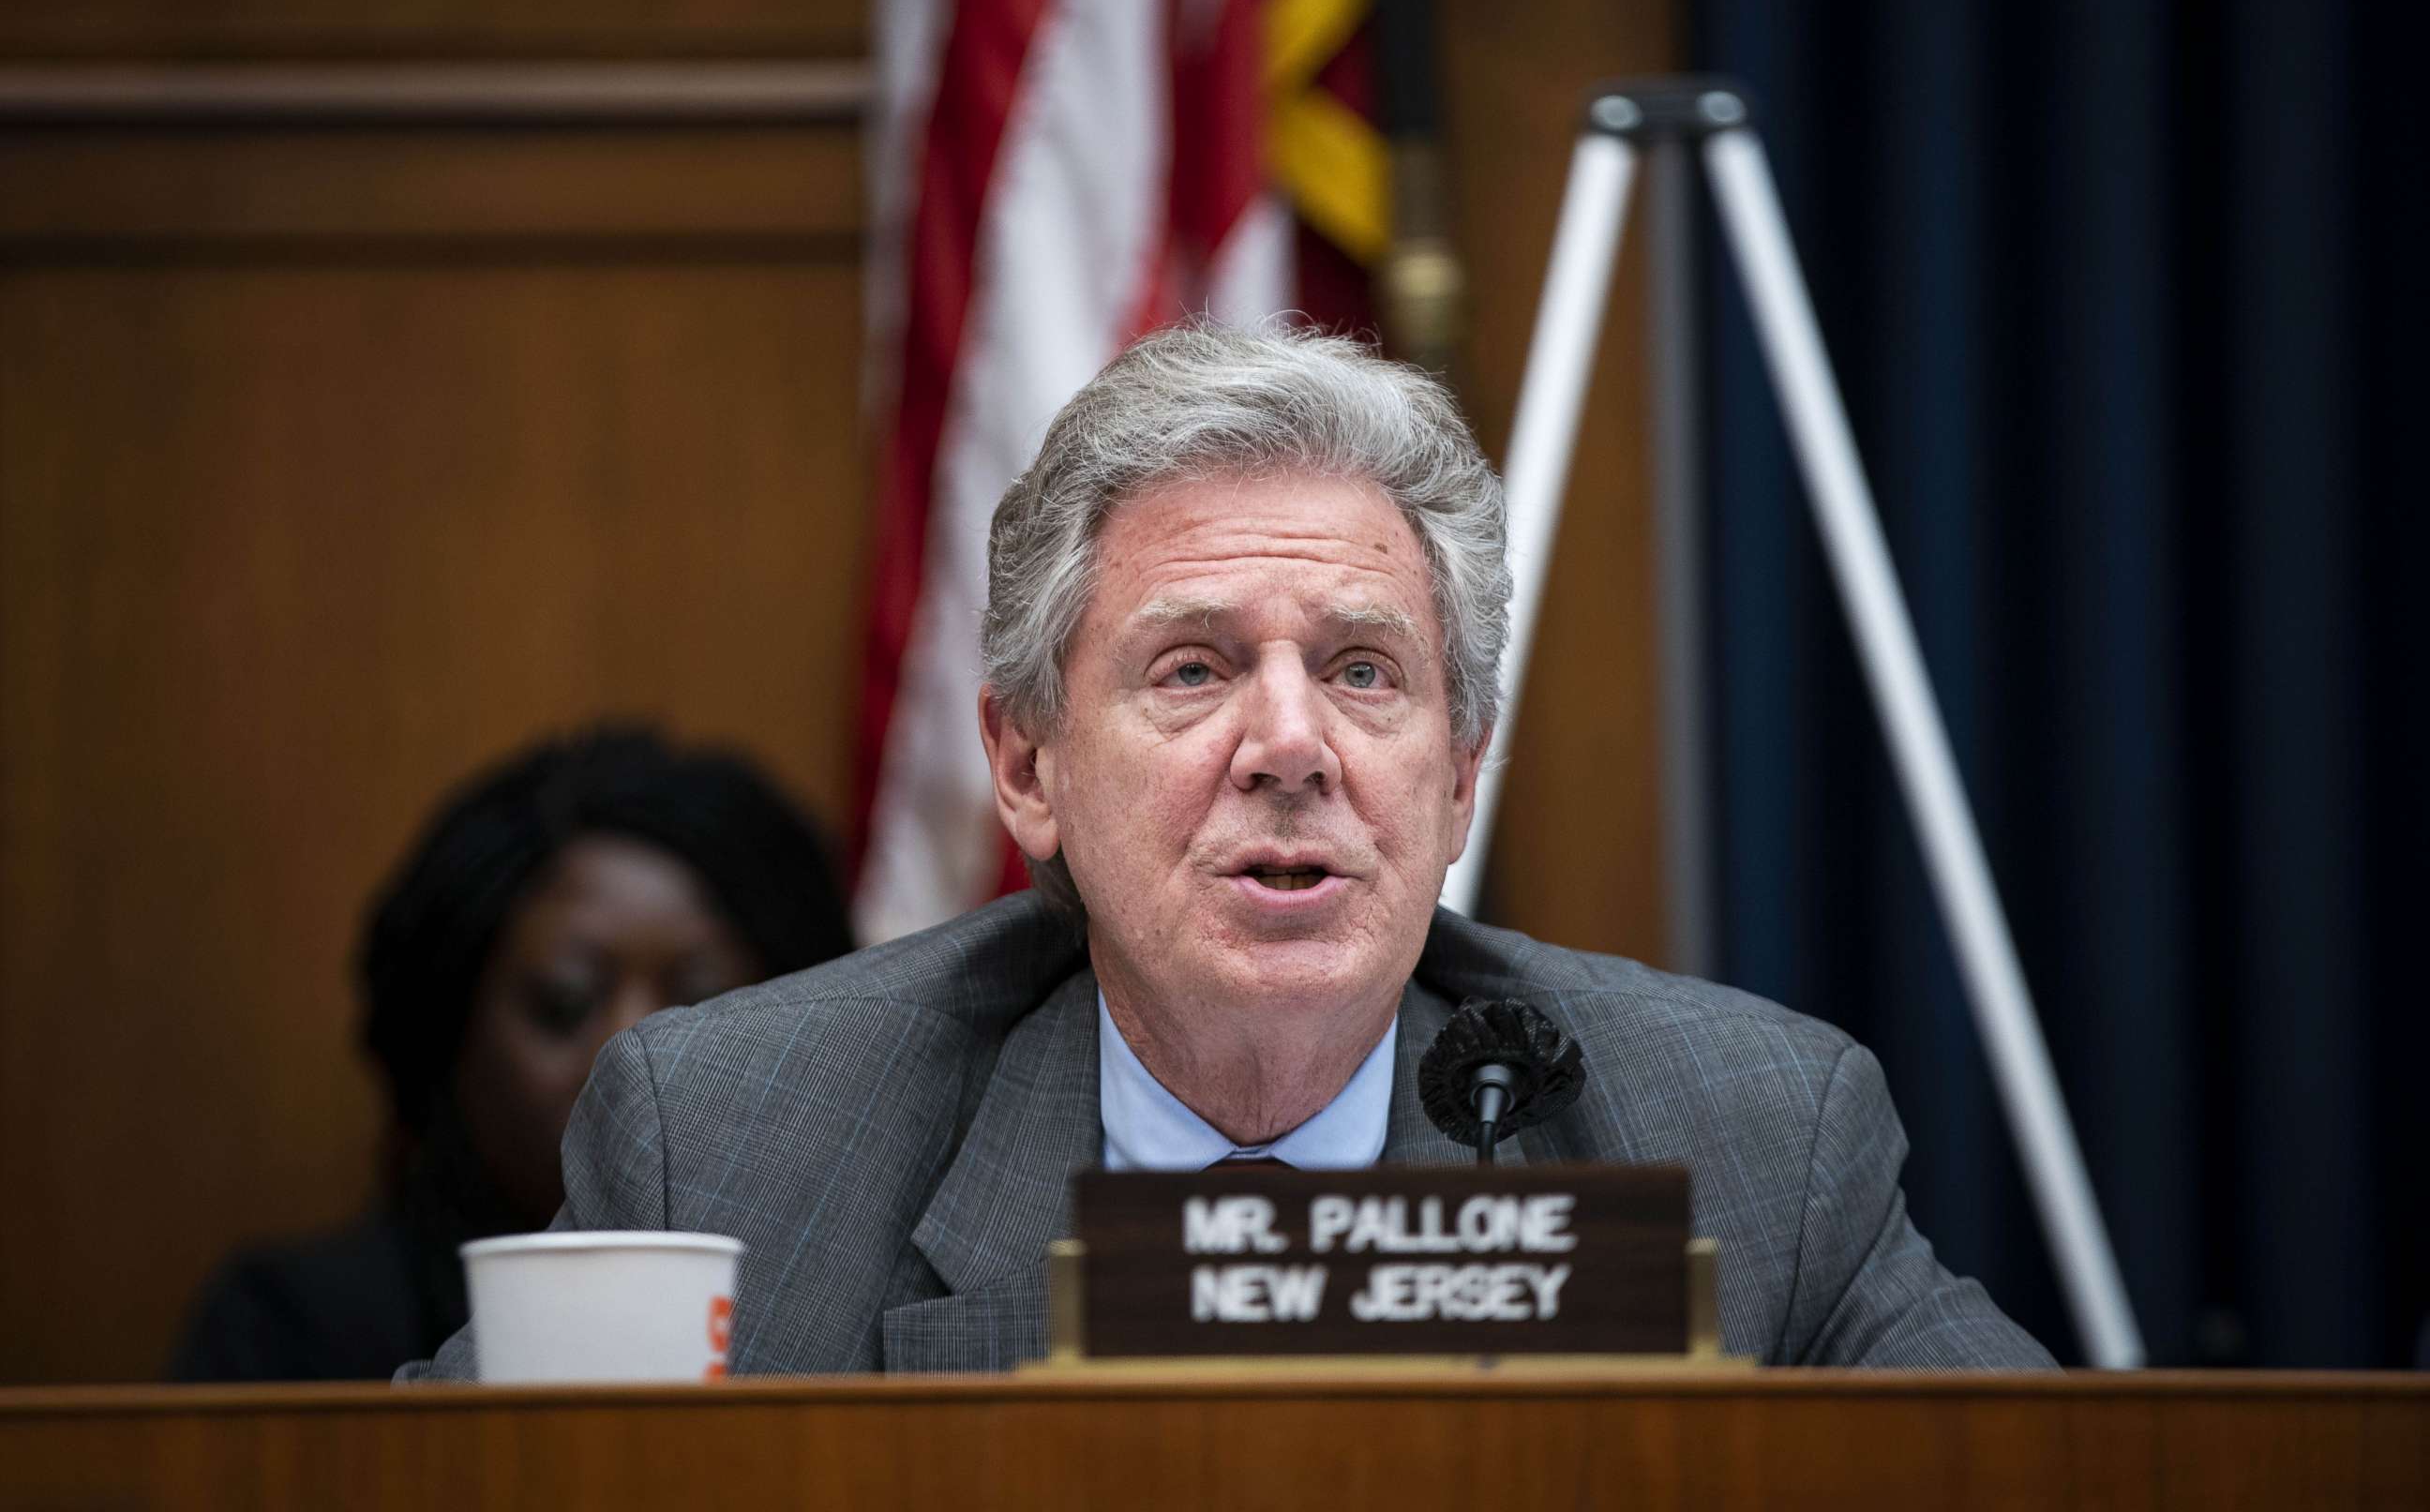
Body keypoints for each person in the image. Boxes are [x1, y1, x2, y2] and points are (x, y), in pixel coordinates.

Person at [418, 324, 2052, 1377]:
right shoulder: (735, 1147)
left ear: (1460, 772)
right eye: (1192, 666)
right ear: (1025, 764)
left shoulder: (1757, 1140)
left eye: (1362, 668)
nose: (1289, 744)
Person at [172, 726, 853, 1381]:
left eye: (704, 1011)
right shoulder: (293, 1333)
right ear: (449, 1033)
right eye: (564, 1003)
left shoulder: (853, 1310)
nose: (630, 1060)